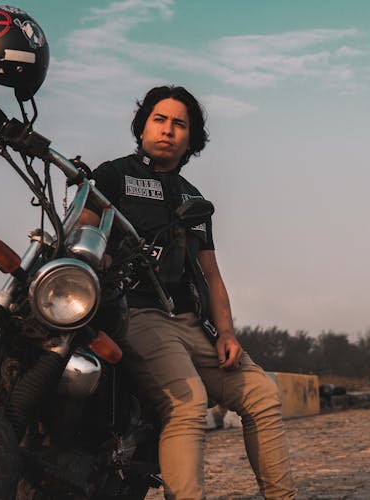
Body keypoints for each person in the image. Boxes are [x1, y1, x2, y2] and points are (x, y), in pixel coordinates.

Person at [79, 85, 296, 499]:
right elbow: (83, 228)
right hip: (135, 314)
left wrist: (227, 333)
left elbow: (211, 274)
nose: (167, 130)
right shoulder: (111, 175)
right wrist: (98, 254)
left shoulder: (195, 199)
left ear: (191, 139)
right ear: (142, 126)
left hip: (192, 323)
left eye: (179, 124)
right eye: (159, 120)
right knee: (187, 402)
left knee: (263, 395)